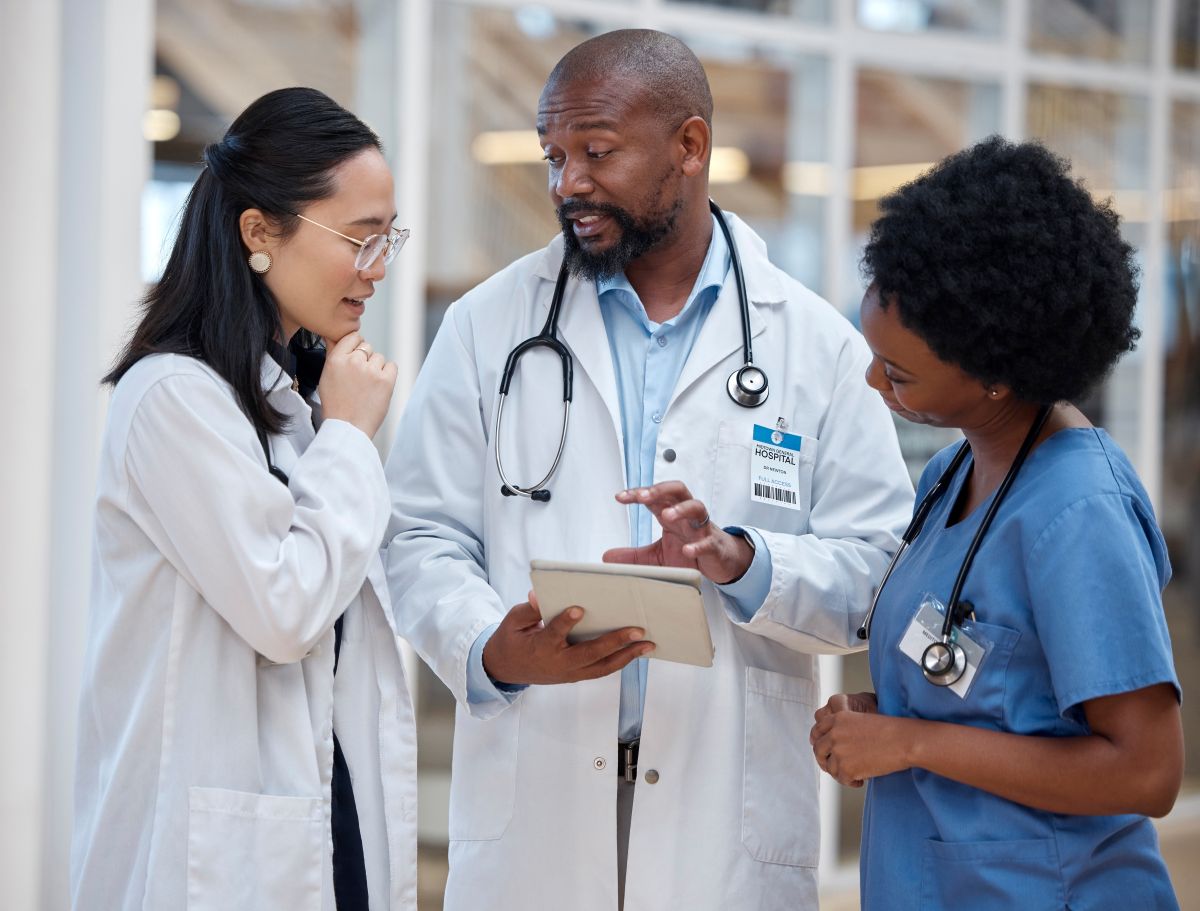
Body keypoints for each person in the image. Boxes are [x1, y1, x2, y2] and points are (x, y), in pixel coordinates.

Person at [385, 29, 913, 911]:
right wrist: (488, 643)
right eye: (555, 155)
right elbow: (417, 534)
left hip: (724, 826)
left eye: (596, 151)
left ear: (691, 146)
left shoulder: (815, 346)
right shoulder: (488, 326)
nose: (567, 183)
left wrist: (748, 562)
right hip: (537, 813)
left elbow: (882, 568)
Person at [810, 137, 1184, 910]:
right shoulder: (954, 473)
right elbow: (993, 697)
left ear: (996, 376)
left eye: (900, 372)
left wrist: (911, 741)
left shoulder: (1080, 512)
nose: (872, 381)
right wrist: (888, 718)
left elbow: (1147, 772)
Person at [72, 87, 418, 910]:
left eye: (389, 241)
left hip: (322, 817)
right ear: (260, 231)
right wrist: (348, 438)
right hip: (211, 856)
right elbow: (286, 607)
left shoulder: (288, 399)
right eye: (360, 240)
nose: (376, 271)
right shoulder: (173, 399)